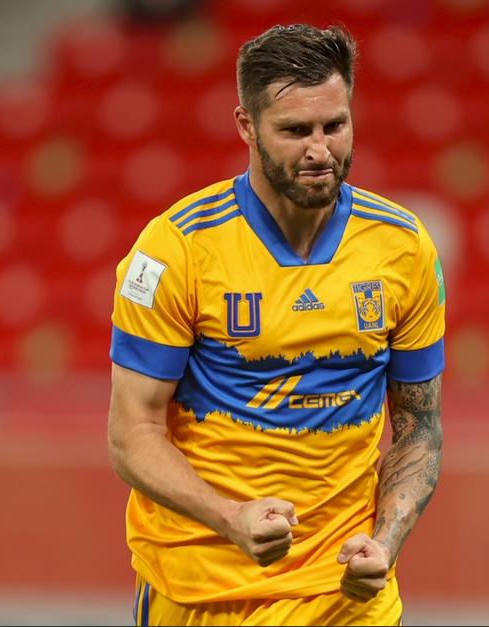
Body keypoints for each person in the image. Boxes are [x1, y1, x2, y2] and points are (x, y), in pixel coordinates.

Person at [107, 23, 445, 626]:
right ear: (245, 125)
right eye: (294, 131)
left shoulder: (404, 247)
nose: (320, 151)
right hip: (204, 591)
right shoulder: (174, 250)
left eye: (334, 126)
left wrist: (387, 543)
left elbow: (420, 426)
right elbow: (132, 433)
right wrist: (229, 517)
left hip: (345, 597)